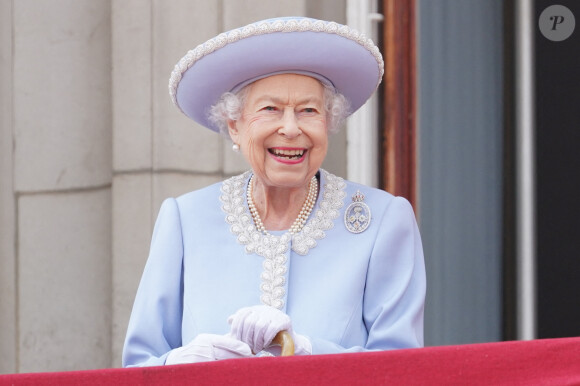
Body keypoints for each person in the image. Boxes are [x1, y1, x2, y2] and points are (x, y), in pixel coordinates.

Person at [122, 16, 426, 367]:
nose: (291, 128)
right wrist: (182, 363)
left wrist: (309, 350)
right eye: (271, 109)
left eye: (308, 111)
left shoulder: (384, 221)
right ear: (234, 126)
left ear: (328, 123)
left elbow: (403, 367)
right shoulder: (185, 220)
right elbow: (139, 366)